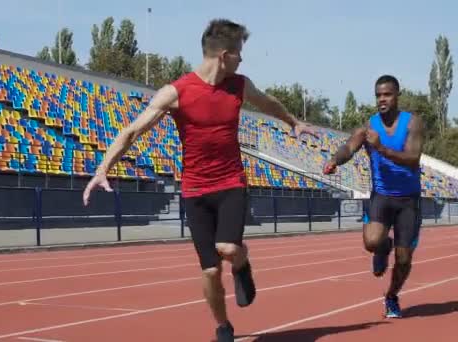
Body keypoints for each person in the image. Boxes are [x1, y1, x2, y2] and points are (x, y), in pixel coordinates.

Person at [83, 18, 317, 341]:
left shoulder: (240, 85)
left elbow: (267, 102)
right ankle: (223, 326)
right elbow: (132, 130)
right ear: (223, 55)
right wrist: (102, 169)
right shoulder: (176, 92)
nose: (241, 59)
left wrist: (293, 122)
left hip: (230, 183)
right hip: (194, 190)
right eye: (238, 53)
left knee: (228, 248)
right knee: (209, 270)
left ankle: (242, 263)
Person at [323, 75, 424, 319]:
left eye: (387, 94)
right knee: (371, 242)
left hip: (409, 200)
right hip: (382, 196)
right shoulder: (368, 128)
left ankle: (391, 296)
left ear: (397, 95)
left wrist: (381, 148)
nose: (382, 99)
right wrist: (335, 160)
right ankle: (383, 247)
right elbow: (349, 147)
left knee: (403, 259)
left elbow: (413, 159)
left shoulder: (413, 123)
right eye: (378, 95)